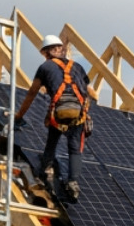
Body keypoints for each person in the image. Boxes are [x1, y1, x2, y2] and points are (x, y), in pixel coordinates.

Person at [14, 34, 92, 201]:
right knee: (74, 148)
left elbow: (31, 94)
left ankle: (46, 168)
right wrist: (87, 114)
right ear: (60, 49)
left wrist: (19, 115)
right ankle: (73, 182)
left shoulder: (45, 67)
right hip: (79, 114)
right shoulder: (77, 66)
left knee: (53, 139)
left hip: (59, 113)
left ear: (45, 53)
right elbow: (88, 93)